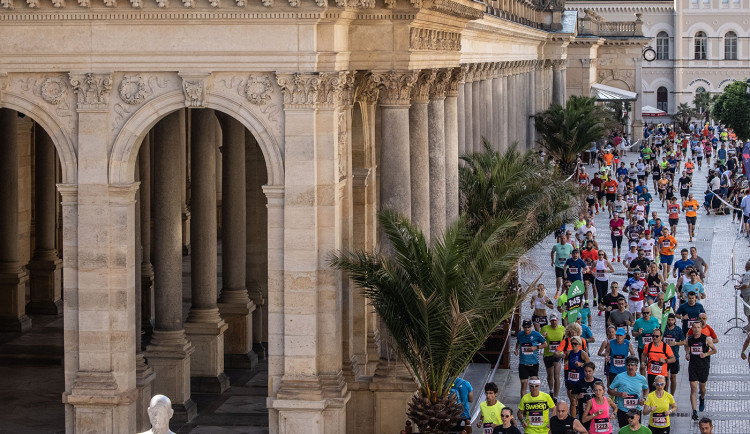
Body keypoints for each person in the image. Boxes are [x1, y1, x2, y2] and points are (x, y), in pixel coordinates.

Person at [686, 322, 717, 421]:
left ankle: (702, 398)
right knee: (693, 388)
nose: (696, 329)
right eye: (694, 327)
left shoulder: (706, 339)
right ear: (692, 329)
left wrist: (706, 354)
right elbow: (686, 346)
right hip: (693, 366)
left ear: (700, 328)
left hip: (703, 366)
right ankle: (694, 411)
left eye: (698, 327)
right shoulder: (689, 339)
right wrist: (687, 353)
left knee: (702, 388)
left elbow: (714, 350)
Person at [608, 357, 649, 429]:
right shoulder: (619, 377)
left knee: (636, 431)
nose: (630, 367)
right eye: (628, 365)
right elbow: (609, 390)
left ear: (636, 367)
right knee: (624, 431)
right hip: (623, 410)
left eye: (632, 365)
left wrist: (644, 398)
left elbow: (646, 389)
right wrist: (619, 394)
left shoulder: (641, 378)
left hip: (636, 410)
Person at [515, 319, 547, 398]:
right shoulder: (520, 334)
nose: (527, 329)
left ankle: (534, 401)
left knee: (534, 385)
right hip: (523, 363)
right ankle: (523, 403)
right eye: (525, 327)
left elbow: (545, 344)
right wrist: (516, 349)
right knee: (524, 383)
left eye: (528, 327)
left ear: (532, 326)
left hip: (534, 363)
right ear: (522, 327)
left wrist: (535, 347)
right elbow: (518, 342)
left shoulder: (536, 334)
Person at [563, 336, 590, 416]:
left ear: (579, 344)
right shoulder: (569, 352)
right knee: (573, 401)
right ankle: (573, 420)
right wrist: (566, 363)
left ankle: (582, 416)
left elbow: (590, 365)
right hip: (570, 380)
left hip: (580, 380)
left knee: (580, 400)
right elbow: (566, 359)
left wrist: (581, 364)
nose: (574, 345)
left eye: (575, 344)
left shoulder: (582, 354)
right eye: (572, 343)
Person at [542, 313, 565, 399]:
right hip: (548, 354)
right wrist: (543, 336)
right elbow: (540, 340)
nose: (554, 322)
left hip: (558, 355)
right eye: (552, 321)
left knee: (556, 376)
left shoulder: (562, 329)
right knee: (550, 376)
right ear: (550, 321)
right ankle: (551, 390)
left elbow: (564, 340)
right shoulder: (545, 328)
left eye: (555, 320)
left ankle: (555, 397)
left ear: (558, 320)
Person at [633, 308, 661, 376]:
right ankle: (643, 381)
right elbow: (633, 333)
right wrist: (638, 333)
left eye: (647, 313)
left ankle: (652, 379)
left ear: (650, 312)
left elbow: (659, 332)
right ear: (642, 313)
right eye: (644, 313)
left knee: (653, 364)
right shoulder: (638, 322)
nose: (646, 314)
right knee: (643, 366)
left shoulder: (655, 320)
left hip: (653, 347)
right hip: (642, 347)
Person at [662, 314, 685, 396]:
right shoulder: (663, 329)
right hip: (664, 356)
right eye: (669, 320)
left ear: (675, 320)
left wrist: (675, 343)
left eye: (672, 320)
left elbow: (684, 341)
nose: (670, 321)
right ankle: (665, 394)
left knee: (673, 377)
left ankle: (672, 395)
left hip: (674, 356)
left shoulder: (678, 330)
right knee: (666, 377)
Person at [573, 361, 602, 426]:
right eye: (586, 371)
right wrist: (578, 397)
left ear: (593, 371)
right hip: (583, 411)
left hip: (596, 410)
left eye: (589, 371)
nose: (587, 373)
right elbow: (573, 396)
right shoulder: (579, 383)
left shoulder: (598, 382)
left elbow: (602, 395)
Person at [734, 259, 750, 330]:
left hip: (748, 296)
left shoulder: (747, 274)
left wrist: (738, 287)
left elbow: (746, 285)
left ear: (746, 267)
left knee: (748, 312)